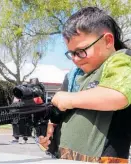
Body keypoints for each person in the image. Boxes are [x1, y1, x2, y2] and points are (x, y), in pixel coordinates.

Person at [39, 7, 131, 163]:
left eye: (81, 51)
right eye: (71, 53)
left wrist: (68, 99)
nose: (75, 59)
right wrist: (47, 133)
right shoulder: (73, 76)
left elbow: (118, 95)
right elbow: (59, 112)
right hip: (64, 157)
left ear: (108, 40)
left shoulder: (121, 60)